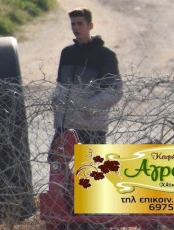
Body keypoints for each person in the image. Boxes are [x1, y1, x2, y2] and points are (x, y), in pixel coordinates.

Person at [51, 8, 123, 144]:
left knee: (91, 165)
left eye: (80, 24)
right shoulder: (67, 53)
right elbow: (60, 86)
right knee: (55, 163)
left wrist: (86, 107)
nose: (76, 27)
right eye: (73, 24)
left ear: (90, 26)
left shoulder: (105, 56)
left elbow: (114, 91)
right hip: (64, 124)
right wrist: (56, 102)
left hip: (92, 127)